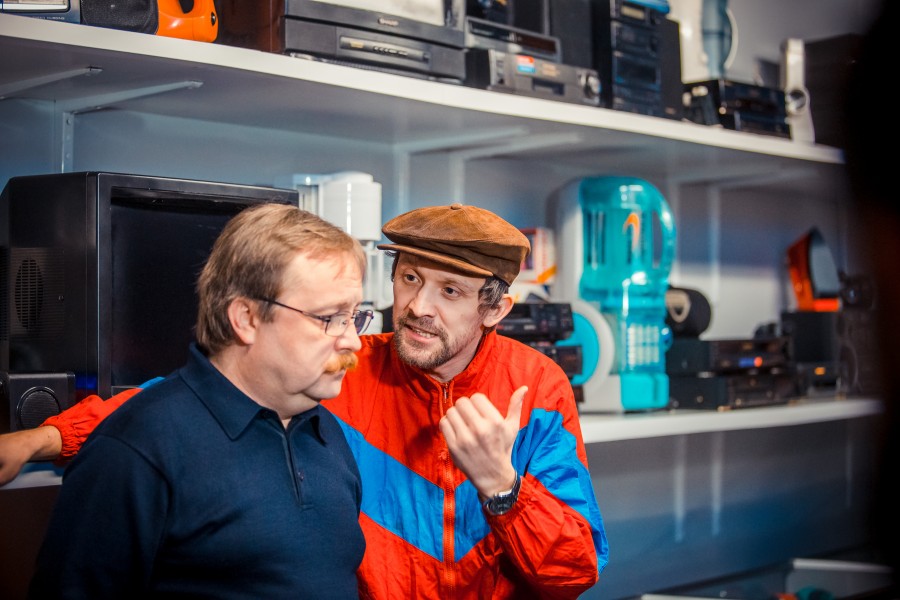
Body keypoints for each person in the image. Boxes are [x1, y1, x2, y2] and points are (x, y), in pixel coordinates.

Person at [3, 203, 609, 598]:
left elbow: (574, 569)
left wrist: (503, 489)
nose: (418, 307)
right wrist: (44, 437)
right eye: (409, 279)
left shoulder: (537, 386)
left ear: (496, 309)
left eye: (450, 291)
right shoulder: (344, 366)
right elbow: (190, 401)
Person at [26, 203, 370, 598]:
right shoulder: (136, 449)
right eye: (329, 318)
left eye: (354, 317)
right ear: (246, 318)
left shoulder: (327, 435)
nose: (353, 341)